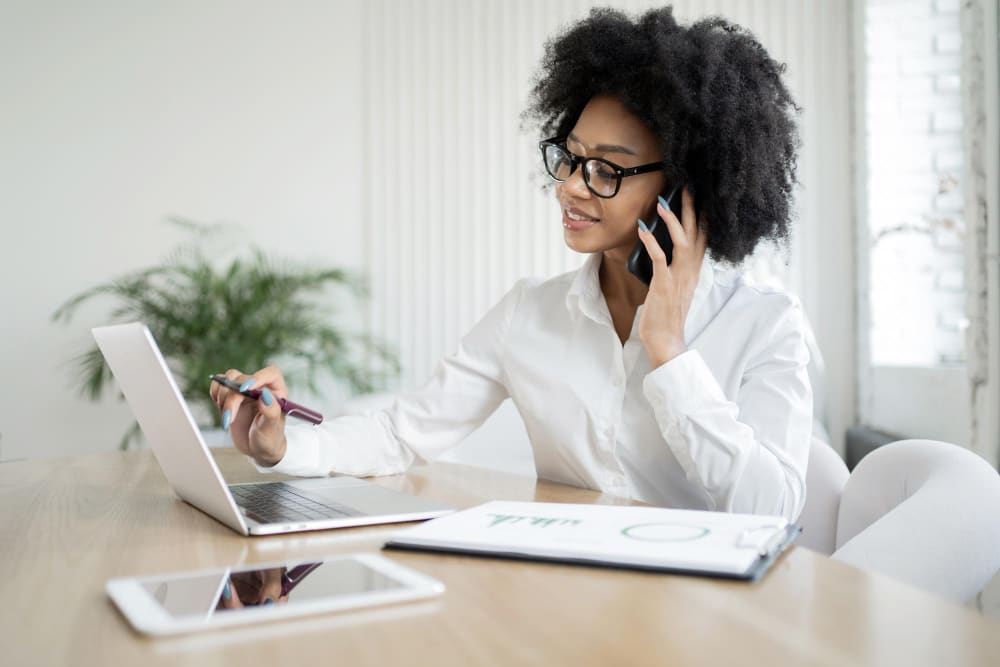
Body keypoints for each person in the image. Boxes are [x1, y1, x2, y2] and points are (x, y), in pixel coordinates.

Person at [210, 6, 812, 521]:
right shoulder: (531, 312)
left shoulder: (766, 325)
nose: (571, 188)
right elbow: (401, 432)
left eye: (606, 169)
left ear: (683, 187)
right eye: (570, 159)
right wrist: (282, 448)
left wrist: (670, 354)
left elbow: (775, 513)